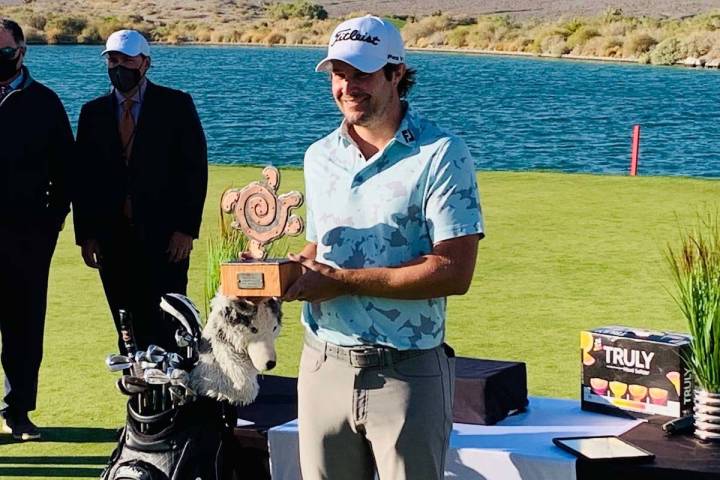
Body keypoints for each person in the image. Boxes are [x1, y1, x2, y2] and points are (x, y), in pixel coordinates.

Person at [284, 15, 484, 480]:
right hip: (322, 366)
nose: (347, 86)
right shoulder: (320, 156)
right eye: (338, 73)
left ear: (396, 73)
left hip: (407, 372)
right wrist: (293, 270)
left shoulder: (441, 153)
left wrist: (340, 282)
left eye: (362, 74)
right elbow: (323, 243)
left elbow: (455, 271)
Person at [73, 30, 207, 352]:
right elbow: (83, 178)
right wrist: (86, 235)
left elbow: (194, 171)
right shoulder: (92, 113)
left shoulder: (176, 105)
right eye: (113, 60)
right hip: (112, 240)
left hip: (165, 240)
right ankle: (137, 397)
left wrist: (185, 230)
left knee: (171, 324)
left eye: (127, 60)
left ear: (145, 63)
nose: (120, 67)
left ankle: (177, 398)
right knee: (127, 329)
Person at [0, 18, 74, 441]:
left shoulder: (44, 102)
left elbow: (66, 170)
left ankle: (18, 413)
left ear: (22, 52)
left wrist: (50, 225)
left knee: (24, 328)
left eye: (5, 52)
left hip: (27, 238)